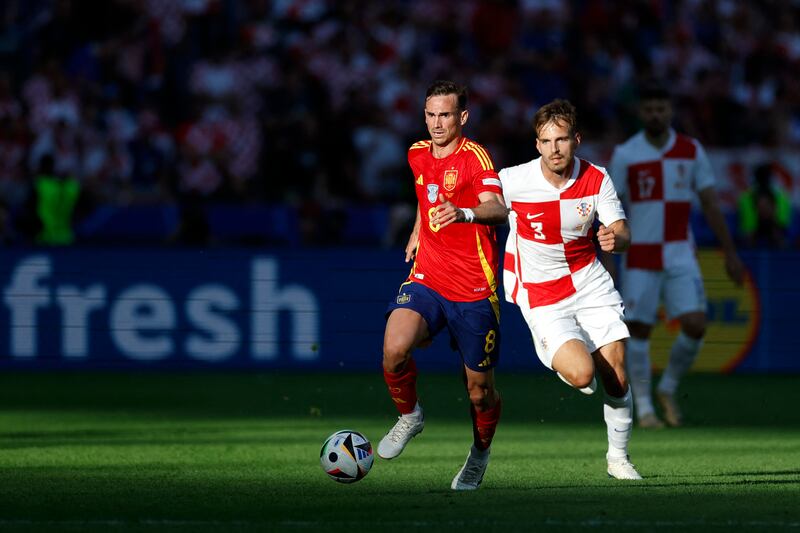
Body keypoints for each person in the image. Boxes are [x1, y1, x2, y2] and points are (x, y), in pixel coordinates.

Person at [501, 99, 642, 480]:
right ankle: (571, 361)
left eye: (562, 140)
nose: (555, 149)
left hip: (589, 280)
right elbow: (478, 204)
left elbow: (622, 229)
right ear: (536, 144)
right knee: (583, 375)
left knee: (617, 374)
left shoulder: (596, 178)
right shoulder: (513, 180)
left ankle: (618, 459)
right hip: (542, 291)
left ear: (576, 140)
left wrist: (617, 239)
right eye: (546, 141)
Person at [378, 80, 508, 491]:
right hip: (428, 275)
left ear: (462, 117)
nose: (437, 123)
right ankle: (410, 415)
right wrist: (419, 229)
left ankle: (479, 454)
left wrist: (465, 214)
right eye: (431, 114)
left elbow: (498, 208)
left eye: (445, 115)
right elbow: (425, 195)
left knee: (479, 392)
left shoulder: (475, 157)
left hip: (473, 288)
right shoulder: (417, 153)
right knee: (394, 348)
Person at [608, 82, 745, 428]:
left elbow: (711, 204)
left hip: (680, 252)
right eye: (650, 109)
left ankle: (667, 387)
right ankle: (646, 409)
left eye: (661, 108)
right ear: (641, 113)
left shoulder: (691, 150)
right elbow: (610, 208)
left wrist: (730, 253)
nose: (656, 114)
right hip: (640, 254)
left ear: (670, 111)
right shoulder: (626, 154)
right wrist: (609, 259)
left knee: (696, 324)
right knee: (637, 330)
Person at [737, 162, 792, 249]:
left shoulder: (780, 196)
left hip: (775, 227)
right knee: (748, 237)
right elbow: (747, 225)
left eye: (767, 206)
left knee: (778, 235)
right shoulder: (746, 197)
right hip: (753, 229)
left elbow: (783, 223)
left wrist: (777, 227)